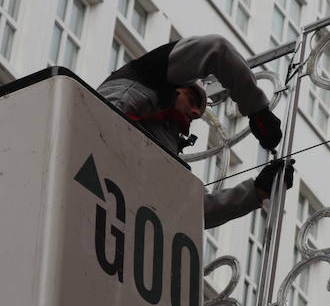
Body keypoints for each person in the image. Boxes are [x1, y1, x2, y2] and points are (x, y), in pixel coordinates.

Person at [97, 34, 294, 228]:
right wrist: (257, 109)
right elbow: (216, 49)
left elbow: (187, 209)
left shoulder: (164, 153)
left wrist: (256, 192)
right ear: (174, 83)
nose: (194, 112)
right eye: (192, 100)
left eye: (198, 113)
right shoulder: (148, 75)